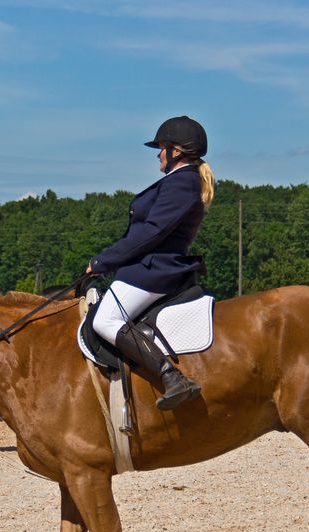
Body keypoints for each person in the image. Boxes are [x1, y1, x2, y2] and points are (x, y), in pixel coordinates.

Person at [86, 115, 215, 410]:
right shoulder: (179, 180)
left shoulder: (182, 182)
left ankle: (172, 377)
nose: (158, 154)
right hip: (148, 267)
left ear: (176, 151)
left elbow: (151, 232)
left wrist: (103, 261)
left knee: (105, 320)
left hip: (154, 269)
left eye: (161, 147)